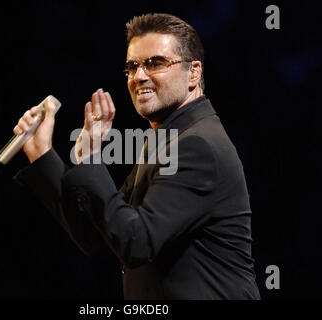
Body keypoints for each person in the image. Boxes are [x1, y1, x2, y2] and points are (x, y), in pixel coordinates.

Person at [13, 13, 260, 299]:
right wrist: (42, 153)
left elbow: (136, 243)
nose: (139, 76)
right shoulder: (167, 140)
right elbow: (97, 234)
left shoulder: (196, 147)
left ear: (193, 72)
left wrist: (92, 158)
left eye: (156, 63)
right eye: (133, 66)